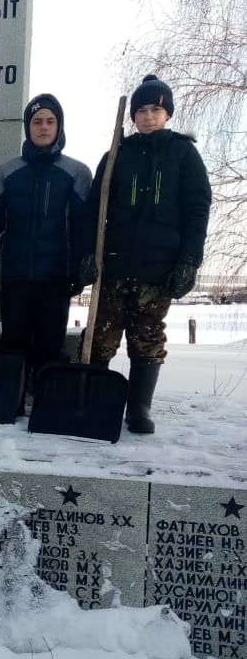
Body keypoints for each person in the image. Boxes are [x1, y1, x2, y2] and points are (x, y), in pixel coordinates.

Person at [85, 74, 212, 434]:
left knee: (147, 337)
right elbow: (93, 210)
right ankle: (93, 402)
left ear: (167, 113)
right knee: (100, 338)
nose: (148, 116)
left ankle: (138, 409)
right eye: (140, 111)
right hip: (113, 264)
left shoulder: (183, 154)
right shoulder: (117, 155)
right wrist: (86, 254)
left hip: (158, 269)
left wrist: (190, 260)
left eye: (155, 110)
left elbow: (197, 209)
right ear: (133, 117)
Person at [0, 93, 93, 413]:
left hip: (55, 275)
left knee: (50, 342)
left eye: (50, 121)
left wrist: (81, 265)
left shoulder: (76, 173)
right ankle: (12, 399)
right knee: (14, 340)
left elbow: (83, 226)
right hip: (16, 274)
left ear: (59, 126)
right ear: (27, 127)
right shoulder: (7, 172)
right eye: (37, 122)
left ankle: (48, 401)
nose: (43, 127)